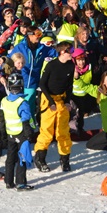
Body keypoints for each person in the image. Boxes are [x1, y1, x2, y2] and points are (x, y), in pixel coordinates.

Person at [34, 42, 75, 172]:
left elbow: (69, 85)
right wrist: (51, 102)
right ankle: (40, 159)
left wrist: (67, 101)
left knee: (63, 131)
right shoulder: (52, 65)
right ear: (62, 52)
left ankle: (65, 160)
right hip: (48, 98)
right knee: (47, 130)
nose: (72, 53)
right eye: (70, 51)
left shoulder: (71, 65)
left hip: (61, 99)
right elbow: (42, 84)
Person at [0, 73, 36, 191]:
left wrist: (3, 135)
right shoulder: (22, 102)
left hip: (10, 134)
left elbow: (2, 120)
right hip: (21, 134)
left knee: (10, 158)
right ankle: (20, 183)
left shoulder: (4, 101)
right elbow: (26, 120)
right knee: (22, 158)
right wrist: (29, 134)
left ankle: (8, 181)